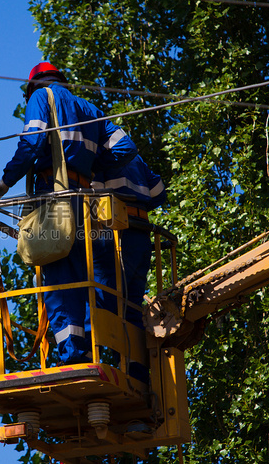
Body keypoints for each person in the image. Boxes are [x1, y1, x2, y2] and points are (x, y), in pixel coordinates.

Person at [0, 62, 137, 365]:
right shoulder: (90, 107)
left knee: (60, 283)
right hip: (88, 202)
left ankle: (74, 356)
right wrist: (87, 166)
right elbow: (125, 148)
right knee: (91, 280)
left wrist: (6, 180)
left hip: (54, 199)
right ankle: (98, 351)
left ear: (33, 85)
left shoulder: (41, 97)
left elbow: (32, 141)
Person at [90, 154, 166, 381]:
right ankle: (135, 370)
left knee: (103, 299)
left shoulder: (99, 157)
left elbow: (90, 195)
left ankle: (90, 360)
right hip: (140, 235)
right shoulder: (135, 156)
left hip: (115, 234)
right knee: (131, 305)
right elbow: (159, 192)